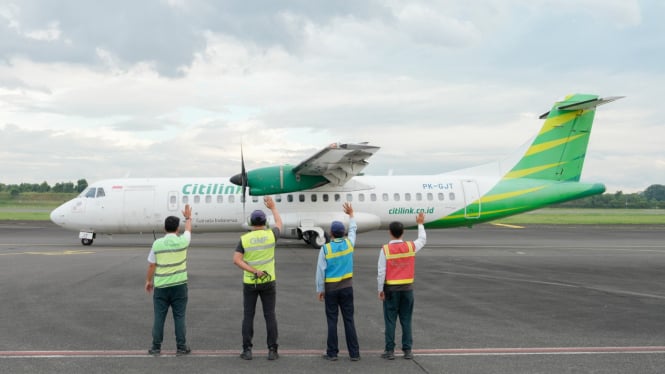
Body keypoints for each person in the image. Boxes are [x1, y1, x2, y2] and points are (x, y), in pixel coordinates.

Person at [233, 196, 283, 361]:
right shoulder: (271, 235)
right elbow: (279, 224)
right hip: (269, 281)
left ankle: (247, 350)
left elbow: (237, 260)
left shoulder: (244, 239)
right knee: (270, 315)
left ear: (251, 222)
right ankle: (272, 350)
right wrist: (273, 208)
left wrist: (253, 270)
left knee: (248, 316)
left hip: (250, 282)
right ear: (264, 222)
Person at [145, 204, 193, 356]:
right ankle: (181, 346)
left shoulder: (157, 244)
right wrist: (188, 217)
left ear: (165, 228)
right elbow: (189, 230)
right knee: (179, 317)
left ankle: (155, 347)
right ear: (177, 229)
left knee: (159, 317)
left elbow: (152, 264)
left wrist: (148, 281)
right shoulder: (183, 241)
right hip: (179, 285)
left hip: (162, 286)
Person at [377, 212, 426, 360]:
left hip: (391, 289)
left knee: (390, 321)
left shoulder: (385, 249)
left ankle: (389, 350)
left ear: (389, 232)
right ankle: (407, 350)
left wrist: (380, 289)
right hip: (407, 289)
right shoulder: (411, 247)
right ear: (403, 232)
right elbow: (422, 239)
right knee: (406, 320)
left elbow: (381, 271)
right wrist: (420, 223)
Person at [315, 202, 360, 362]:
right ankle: (354, 353)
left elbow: (321, 271)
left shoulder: (325, 249)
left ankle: (332, 352)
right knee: (349, 320)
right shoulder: (349, 244)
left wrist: (320, 290)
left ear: (331, 233)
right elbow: (353, 231)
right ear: (343, 233)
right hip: (347, 288)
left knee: (332, 321)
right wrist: (351, 215)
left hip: (331, 289)